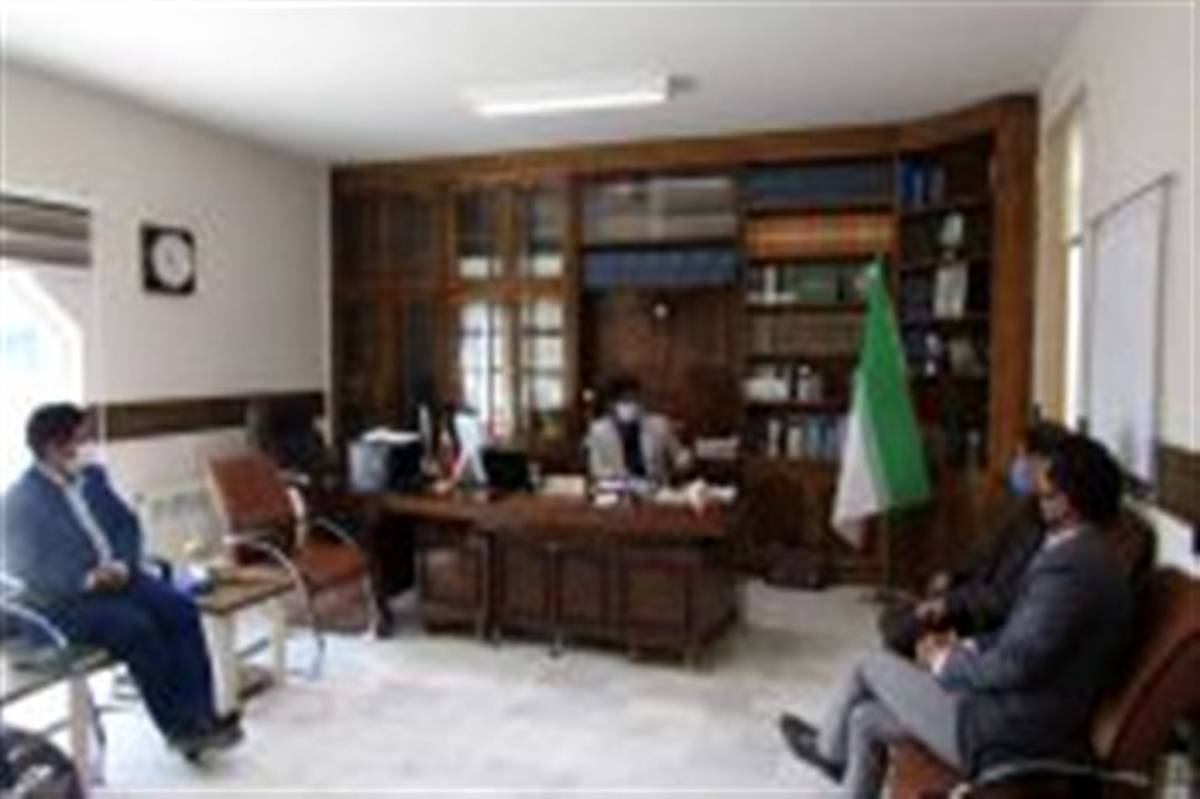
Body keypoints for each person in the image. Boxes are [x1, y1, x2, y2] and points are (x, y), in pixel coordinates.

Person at [778, 432, 1133, 798]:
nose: (1037, 489)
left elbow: (1018, 664)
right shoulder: (1086, 556)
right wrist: (967, 646)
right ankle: (836, 756)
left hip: (1005, 733)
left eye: (1046, 486)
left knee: (866, 665)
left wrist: (945, 663)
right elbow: (1023, 638)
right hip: (1010, 713)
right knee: (864, 718)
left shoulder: (1072, 571)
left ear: (1067, 501)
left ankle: (829, 755)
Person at [1, 404, 243, 760]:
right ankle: (179, 728)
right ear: (53, 447)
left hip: (121, 577)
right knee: (137, 627)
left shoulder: (93, 478)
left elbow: (126, 524)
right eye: (80, 440)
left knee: (180, 608)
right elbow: (25, 569)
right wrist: (86, 579)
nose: (88, 447)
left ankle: (202, 716)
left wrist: (122, 564)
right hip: (67, 602)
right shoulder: (19, 501)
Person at [877, 421, 1069, 657]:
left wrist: (951, 603)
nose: (1017, 465)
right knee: (895, 617)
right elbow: (985, 554)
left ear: (1042, 462)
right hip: (972, 598)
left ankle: (943, 653)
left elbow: (1003, 597)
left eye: (1022, 457)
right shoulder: (1026, 510)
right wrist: (953, 576)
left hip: (986, 617)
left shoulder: (1045, 524)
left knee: (902, 630)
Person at [584, 375, 690, 488]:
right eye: (625, 401)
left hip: (656, 489)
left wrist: (684, 461)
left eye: (634, 400)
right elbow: (596, 469)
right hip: (617, 490)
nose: (630, 406)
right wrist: (616, 475)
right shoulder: (599, 430)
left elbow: (680, 457)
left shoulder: (659, 425)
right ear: (612, 404)